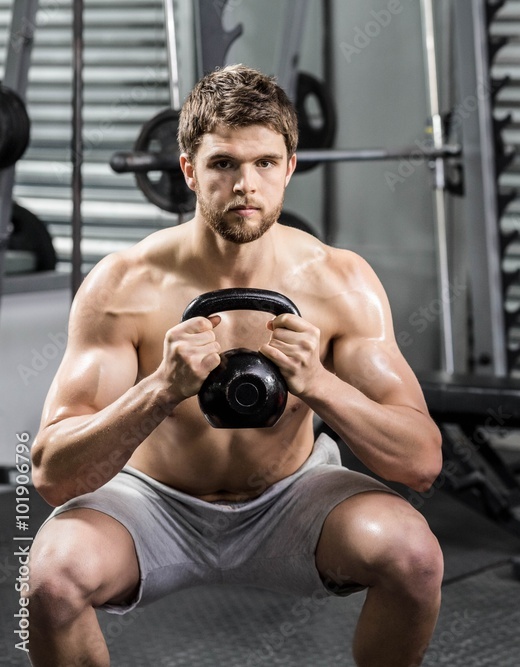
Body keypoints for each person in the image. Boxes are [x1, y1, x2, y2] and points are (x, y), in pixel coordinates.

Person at [26, 64, 444, 667]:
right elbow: (51, 475)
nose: (246, 184)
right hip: (152, 503)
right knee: (51, 580)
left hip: (292, 496)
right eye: (224, 163)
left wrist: (318, 384)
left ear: (290, 168)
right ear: (190, 170)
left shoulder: (340, 282)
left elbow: (422, 461)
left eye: (265, 163)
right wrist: (162, 390)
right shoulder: (124, 284)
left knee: (414, 558)